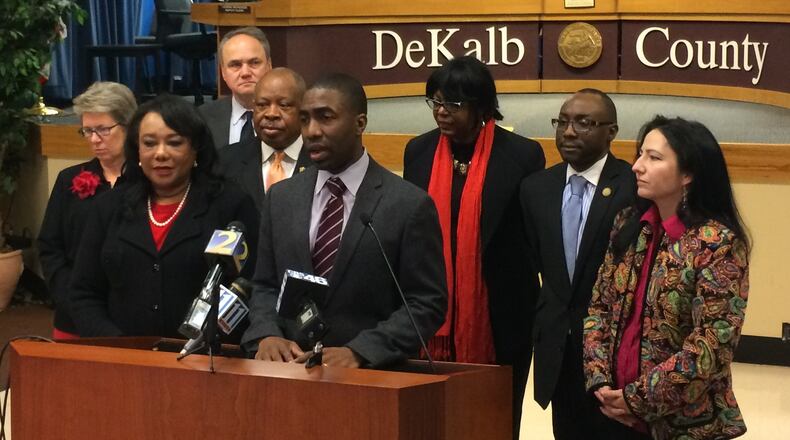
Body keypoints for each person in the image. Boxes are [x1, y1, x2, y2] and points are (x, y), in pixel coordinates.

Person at [241, 73, 447, 368]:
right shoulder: (282, 197)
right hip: (289, 373)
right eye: (305, 119)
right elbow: (264, 285)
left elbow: (426, 303)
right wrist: (266, 334)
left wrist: (360, 352)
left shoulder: (407, 204)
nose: (312, 131)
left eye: (325, 118)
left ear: (360, 123)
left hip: (370, 378)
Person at [402, 55, 544, 437]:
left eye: (453, 104)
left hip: (501, 315)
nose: (441, 112)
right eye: (436, 102)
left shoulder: (522, 155)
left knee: (496, 418)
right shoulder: (418, 151)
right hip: (431, 311)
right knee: (432, 417)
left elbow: (530, 238)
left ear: (481, 107)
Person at [584, 116, 750, 439]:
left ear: (688, 174)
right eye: (640, 155)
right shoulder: (629, 224)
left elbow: (711, 347)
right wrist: (599, 381)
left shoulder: (716, 243)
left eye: (654, 158)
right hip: (612, 413)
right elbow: (599, 308)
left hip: (684, 424)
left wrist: (636, 401)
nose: (637, 166)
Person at [69, 95, 259, 339]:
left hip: (206, 354)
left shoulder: (230, 205)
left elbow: (249, 288)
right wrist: (120, 347)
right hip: (121, 353)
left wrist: (205, 343)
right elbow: (84, 293)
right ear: (137, 150)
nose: (160, 154)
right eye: (149, 143)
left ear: (196, 148)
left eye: (174, 143)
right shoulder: (109, 207)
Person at [520, 89, 636, 439]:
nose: (569, 132)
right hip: (559, 346)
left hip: (614, 347)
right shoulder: (536, 188)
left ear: (611, 132)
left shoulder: (632, 186)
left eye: (584, 123)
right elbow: (534, 260)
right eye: (563, 122)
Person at [38, 81, 137, 340]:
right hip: (74, 314)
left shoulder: (147, 182)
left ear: (129, 126)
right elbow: (50, 247)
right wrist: (71, 298)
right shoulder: (68, 180)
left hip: (132, 316)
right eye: (87, 130)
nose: (94, 139)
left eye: (103, 129)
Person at [219, 67, 312, 212]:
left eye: (283, 105)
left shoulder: (321, 163)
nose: (271, 114)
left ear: (303, 110)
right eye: (262, 105)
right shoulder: (226, 161)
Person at [199, 26, 272, 149]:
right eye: (235, 65)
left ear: (269, 66)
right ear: (223, 72)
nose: (245, 73)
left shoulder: (292, 117)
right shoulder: (202, 118)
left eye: (254, 63)